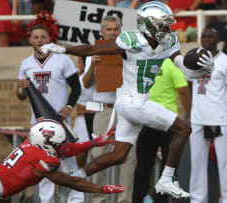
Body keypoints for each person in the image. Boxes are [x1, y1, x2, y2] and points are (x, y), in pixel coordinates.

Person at [41, 1, 214, 198]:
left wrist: (206, 68)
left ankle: (74, 176)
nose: (168, 29)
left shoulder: (169, 41)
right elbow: (92, 49)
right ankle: (166, 179)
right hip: (134, 103)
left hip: (129, 103)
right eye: (164, 25)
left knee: (118, 155)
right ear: (150, 24)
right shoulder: (131, 40)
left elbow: (184, 68)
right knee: (184, 129)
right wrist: (63, 50)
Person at [0, 119, 125, 203]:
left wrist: (92, 143)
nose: (61, 147)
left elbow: (65, 149)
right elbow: (72, 181)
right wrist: (101, 189)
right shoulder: (42, 162)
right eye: (57, 145)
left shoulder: (32, 143)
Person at [16, 24, 82, 203]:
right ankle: (46, 201)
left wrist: (69, 106)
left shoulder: (62, 60)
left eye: (43, 37)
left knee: (68, 162)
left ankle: (76, 198)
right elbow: (21, 96)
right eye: (36, 37)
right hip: (38, 123)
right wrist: (21, 89)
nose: (39, 40)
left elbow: (76, 87)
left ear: (49, 39)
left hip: (60, 120)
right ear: (30, 40)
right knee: (43, 163)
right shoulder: (26, 64)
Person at [82, 15, 136, 203]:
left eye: (116, 29)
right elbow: (86, 84)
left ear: (120, 30)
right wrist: (93, 67)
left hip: (127, 109)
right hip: (104, 110)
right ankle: (98, 199)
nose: (113, 32)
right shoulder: (94, 52)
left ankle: (125, 199)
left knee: (128, 156)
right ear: (102, 31)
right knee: (99, 154)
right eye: (109, 29)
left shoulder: (130, 51)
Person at [132, 58, 191, 203]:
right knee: (169, 165)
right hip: (169, 121)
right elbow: (183, 91)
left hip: (147, 119)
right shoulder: (171, 64)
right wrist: (189, 114)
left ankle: (138, 199)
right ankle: (161, 200)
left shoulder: (146, 62)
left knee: (144, 164)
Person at [189, 27, 227, 203]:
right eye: (203, 36)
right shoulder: (193, 60)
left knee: (225, 165)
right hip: (197, 118)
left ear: (217, 39)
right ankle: (198, 200)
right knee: (197, 164)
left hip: (221, 118)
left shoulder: (224, 61)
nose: (206, 39)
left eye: (210, 36)